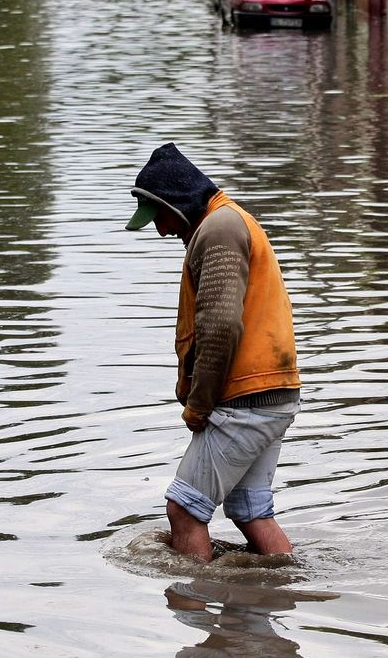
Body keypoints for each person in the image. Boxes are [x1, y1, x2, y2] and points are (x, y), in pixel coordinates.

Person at [125, 143, 302, 564]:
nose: (162, 231)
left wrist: (200, 405)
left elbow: (220, 327)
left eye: (161, 218)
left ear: (179, 203)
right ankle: (282, 593)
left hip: (244, 396)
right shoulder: (229, 222)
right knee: (249, 511)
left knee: (184, 510)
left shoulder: (219, 228)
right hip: (272, 392)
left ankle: (196, 614)